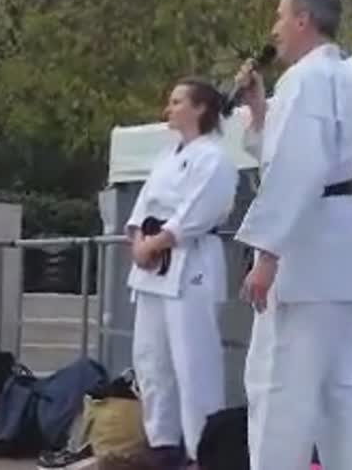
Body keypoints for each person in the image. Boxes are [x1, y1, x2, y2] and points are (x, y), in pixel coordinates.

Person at [234, 0, 352, 470]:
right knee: (342, 389)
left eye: (280, 16)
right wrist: (259, 110)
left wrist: (267, 253)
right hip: (339, 237)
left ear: (302, 20)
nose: (275, 28)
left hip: (308, 239)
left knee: (280, 386)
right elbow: (298, 152)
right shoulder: (345, 78)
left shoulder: (306, 79)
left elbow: (299, 165)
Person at [125, 77, 239, 468]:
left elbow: (197, 212)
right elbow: (142, 208)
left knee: (194, 361)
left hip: (191, 262)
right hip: (152, 268)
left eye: (177, 101)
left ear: (200, 108)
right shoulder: (166, 156)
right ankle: (162, 442)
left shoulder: (215, 158)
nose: (169, 108)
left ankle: (201, 450)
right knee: (150, 358)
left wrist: (156, 243)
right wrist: (139, 242)